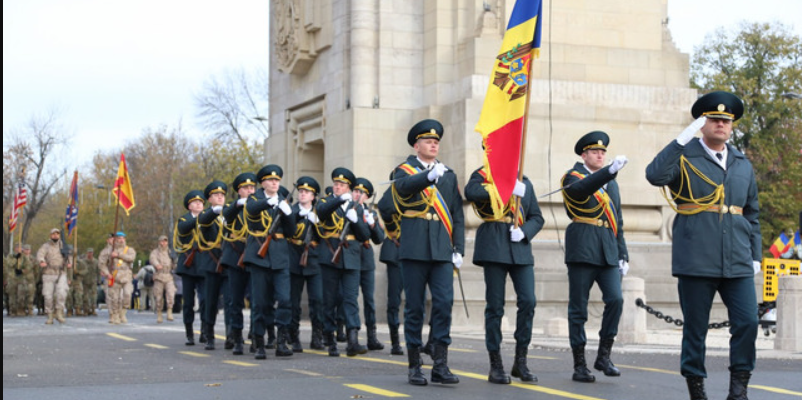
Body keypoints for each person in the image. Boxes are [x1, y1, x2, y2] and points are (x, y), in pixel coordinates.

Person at [646, 91, 760, 400]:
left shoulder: (741, 163)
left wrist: (756, 256)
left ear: (732, 125)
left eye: (726, 120)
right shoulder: (684, 157)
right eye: (714, 119)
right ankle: (696, 389)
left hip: (736, 257)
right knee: (695, 330)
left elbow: (752, 213)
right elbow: (654, 175)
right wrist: (680, 140)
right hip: (696, 257)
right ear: (702, 123)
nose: (721, 124)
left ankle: (738, 390)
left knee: (748, 322)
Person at [389, 119, 465, 386]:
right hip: (414, 248)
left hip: (442, 249)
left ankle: (440, 364)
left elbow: (456, 214)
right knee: (415, 308)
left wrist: (459, 248)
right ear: (416, 144)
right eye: (428, 141)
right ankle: (414, 365)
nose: (434, 144)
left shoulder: (449, 174)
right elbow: (402, 188)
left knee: (444, 304)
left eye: (436, 141)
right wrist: (427, 177)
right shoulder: (403, 171)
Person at [465, 165, 545, 384]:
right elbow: (471, 192)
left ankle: (521, 361)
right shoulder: (483, 175)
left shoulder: (524, 181)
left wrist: (525, 232)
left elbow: (537, 217)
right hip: (494, 243)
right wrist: (506, 187)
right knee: (495, 307)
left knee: (528, 301)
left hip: (519, 245)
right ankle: (496, 364)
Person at [560, 130, 629, 383]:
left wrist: (623, 252)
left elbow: (617, 221)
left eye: (603, 152)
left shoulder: (612, 182)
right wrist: (608, 172)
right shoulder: (572, 176)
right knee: (578, 309)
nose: (600, 155)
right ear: (583, 154)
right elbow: (581, 191)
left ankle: (604, 355)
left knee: (616, 300)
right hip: (583, 246)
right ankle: (580, 364)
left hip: (607, 248)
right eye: (595, 152)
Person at [315, 167, 372, 357]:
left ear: (349, 187)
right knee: (329, 300)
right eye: (336, 184)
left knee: (350, 299)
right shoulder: (326, 201)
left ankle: (353, 340)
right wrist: (338, 200)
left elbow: (365, 235)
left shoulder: (356, 206)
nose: (338, 187)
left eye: (342, 185)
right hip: (330, 256)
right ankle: (330, 338)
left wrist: (355, 220)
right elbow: (321, 212)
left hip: (351, 258)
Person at [244, 164, 295, 359]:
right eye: (270, 180)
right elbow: (252, 210)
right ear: (263, 182)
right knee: (260, 303)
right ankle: (259, 343)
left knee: (284, 299)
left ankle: (281, 341)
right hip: (260, 257)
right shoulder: (254, 198)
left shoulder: (283, 201)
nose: (274, 182)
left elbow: (290, 232)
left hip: (280, 257)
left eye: (277, 180)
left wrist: (288, 214)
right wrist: (270, 202)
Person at [287, 176, 324, 353]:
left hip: (314, 258)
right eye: (301, 191)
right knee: (294, 301)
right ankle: (294, 337)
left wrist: (317, 223)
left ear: (313, 196)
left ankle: (317, 336)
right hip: (294, 257)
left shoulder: (319, 213)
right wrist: (295, 216)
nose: (302, 194)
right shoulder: (291, 211)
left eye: (307, 192)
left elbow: (326, 236)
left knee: (317, 299)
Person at [221, 172, 257, 355]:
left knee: (257, 300)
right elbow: (225, 215)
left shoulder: (258, 207)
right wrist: (237, 205)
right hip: (236, 256)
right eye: (245, 188)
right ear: (239, 191)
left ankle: (256, 336)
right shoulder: (232, 207)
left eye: (252, 188)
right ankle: (236, 337)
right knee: (235, 300)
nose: (250, 191)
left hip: (254, 256)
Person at [352, 177, 386, 351]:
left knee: (369, 300)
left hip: (366, 258)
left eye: (361, 193)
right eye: (355, 191)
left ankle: (372, 336)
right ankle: (353, 336)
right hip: (351, 257)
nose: (357, 195)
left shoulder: (371, 213)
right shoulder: (348, 210)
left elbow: (379, 238)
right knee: (351, 299)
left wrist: (372, 224)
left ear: (366, 196)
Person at [198, 180, 232, 351]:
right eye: (216, 195)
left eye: (222, 195)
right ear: (209, 199)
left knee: (230, 301)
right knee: (210, 302)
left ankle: (230, 335)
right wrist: (214, 212)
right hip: (212, 262)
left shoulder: (229, 214)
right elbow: (203, 223)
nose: (220, 197)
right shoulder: (205, 216)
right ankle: (209, 335)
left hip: (227, 262)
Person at [174, 190, 207, 345]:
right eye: (195, 202)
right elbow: (184, 229)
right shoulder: (184, 220)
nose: (198, 204)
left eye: (200, 202)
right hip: (188, 264)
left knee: (206, 301)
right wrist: (202, 218)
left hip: (204, 264)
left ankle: (205, 331)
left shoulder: (208, 219)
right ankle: (189, 332)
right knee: (188, 303)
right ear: (189, 206)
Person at [377, 183, 405, 356]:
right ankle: (395, 341)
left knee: (419, 300)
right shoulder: (394, 194)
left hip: (417, 251)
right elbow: (384, 206)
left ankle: (422, 342)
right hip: (396, 251)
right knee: (394, 300)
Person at [37, 228, 73, 324]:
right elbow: (40, 254)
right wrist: (42, 261)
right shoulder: (45, 246)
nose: (55, 236)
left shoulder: (63, 246)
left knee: (62, 293)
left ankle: (59, 312)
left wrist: (70, 263)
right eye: (53, 234)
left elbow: (69, 257)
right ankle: (50, 315)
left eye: (57, 234)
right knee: (48, 296)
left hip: (61, 273)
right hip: (48, 273)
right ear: (50, 235)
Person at [99, 232, 136, 324]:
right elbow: (101, 264)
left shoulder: (129, 250)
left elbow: (131, 258)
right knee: (114, 298)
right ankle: (114, 315)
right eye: (119, 238)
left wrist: (118, 255)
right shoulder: (108, 251)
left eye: (123, 238)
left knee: (127, 294)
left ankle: (122, 312)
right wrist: (107, 274)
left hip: (126, 275)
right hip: (114, 276)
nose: (121, 240)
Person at [149, 235, 176, 323]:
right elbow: (152, 259)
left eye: (165, 241)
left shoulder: (170, 252)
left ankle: (169, 311)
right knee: (158, 296)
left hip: (168, 275)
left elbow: (174, 263)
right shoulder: (155, 252)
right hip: (159, 276)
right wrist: (157, 264)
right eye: (161, 241)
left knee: (171, 294)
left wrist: (175, 262)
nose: (163, 243)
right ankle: (159, 314)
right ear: (159, 242)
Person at [97, 234, 115, 322]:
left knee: (122, 296)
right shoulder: (105, 251)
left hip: (120, 276)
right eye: (111, 239)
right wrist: (106, 273)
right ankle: (112, 314)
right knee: (109, 295)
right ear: (107, 240)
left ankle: (120, 313)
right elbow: (101, 264)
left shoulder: (123, 249)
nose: (113, 240)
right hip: (110, 276)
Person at [66, 248, 88, 316]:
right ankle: (69, 310)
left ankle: (78, 309)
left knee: (78, 295)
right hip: (69, 281)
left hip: (77, 281)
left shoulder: (80, 262)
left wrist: (78, 272)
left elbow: (85, 271)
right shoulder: (65, 262)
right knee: (68, 295)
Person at [82, 248, 99, 316]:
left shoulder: (96, 261)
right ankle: (86, 310)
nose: (90, 254)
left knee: (94, 297)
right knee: (85, 297)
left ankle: (93, 309)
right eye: (89, 252)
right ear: (87, 253)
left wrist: (99, 280)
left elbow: (98, 271)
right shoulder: (83, 261)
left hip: (93, 281)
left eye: (91, 252)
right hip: (85, 281)